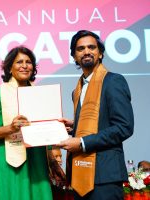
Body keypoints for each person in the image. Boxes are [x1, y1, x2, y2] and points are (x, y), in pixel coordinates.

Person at [57, 30, 134, 200]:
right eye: (80, 48)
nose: (86, 51)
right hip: (79, 173)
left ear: (100, 53)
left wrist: (83, 142)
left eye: (91, 47)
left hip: (105, 176)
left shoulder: (113, 81)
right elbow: (98, 122)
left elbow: (124, 127)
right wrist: (74, 127)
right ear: (74, 56)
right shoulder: (77, 89)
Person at [0, 46, 52, 200]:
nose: (25, 66)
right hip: (9, 162)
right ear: (9, 68)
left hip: (38, 161)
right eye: (19, 62)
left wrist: (53, 162)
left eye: (29, 62)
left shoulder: (41, 95)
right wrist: (10, 128)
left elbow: (47, 133)